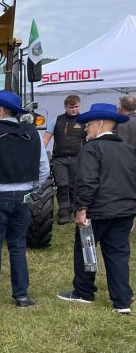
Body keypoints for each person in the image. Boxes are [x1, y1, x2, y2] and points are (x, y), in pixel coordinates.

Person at [57, 103, 136, 314]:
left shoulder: (91, 148)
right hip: (124, 211)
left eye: (89, 124)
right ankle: (122, 302)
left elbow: (87, 181)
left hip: (98, 211)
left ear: (100, 124)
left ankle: (84, 292)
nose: (85, 128)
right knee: (118, 254)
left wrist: (81, 208)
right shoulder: (129, 150)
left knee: (85, 249)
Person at [0, 90, 49, 307]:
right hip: (24, 196)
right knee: (18, 246)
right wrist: (31, 189)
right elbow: (44, 169)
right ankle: (22, 295)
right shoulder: (32, 133)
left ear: (0, 110)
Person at [42, 95, 86, 224]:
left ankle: (74, 209)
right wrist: (41, 154)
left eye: (76, 106)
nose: (74, 109)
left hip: (77, 158)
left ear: (80, 105)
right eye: (71, 107)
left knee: (74, 186)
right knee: (62, 185)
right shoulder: (56, 120)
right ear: (65, 107)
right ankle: (63, 212)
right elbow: (46, 138)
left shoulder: (85, 120)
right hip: (59, 159)